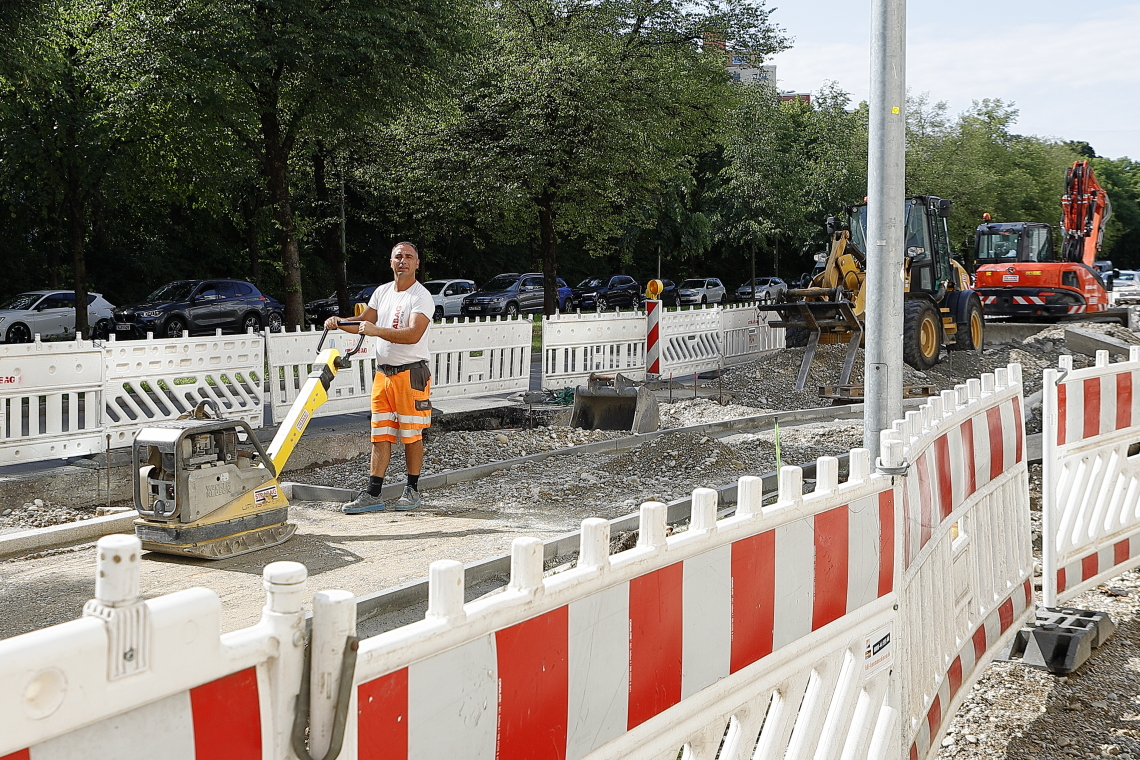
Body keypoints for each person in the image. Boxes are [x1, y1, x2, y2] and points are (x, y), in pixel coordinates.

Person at [324, 242, 434, 513]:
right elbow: (364, 321)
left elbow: (413, 334)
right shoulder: (382, 292)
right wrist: (340, 322)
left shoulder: (421, 297)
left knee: (412, 434)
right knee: (380, 434)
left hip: (411, 374)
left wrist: (376, 331)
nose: (403, 261)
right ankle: (373, 492)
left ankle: (412, 489)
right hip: (383, 375)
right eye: (398, 256)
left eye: (409, 257)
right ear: (391, 261)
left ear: (417, 264)